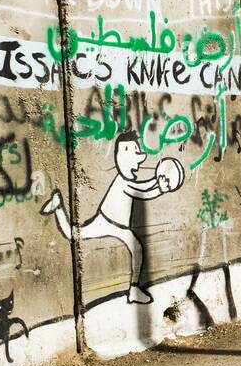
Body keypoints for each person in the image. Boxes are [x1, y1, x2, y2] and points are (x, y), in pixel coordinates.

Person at [41, 130, 180, 304]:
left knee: (136, 248)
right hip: (107, 221)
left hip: (118, 226)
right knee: (73, 235)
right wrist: (160, 187)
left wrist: (159, 182)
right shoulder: (124, 181)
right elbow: (142, 192)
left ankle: (134, 289)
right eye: (136, 154)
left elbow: (145, 186)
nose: (139, 161)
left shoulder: (127, 179)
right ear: (123, 155)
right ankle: (58, 206)